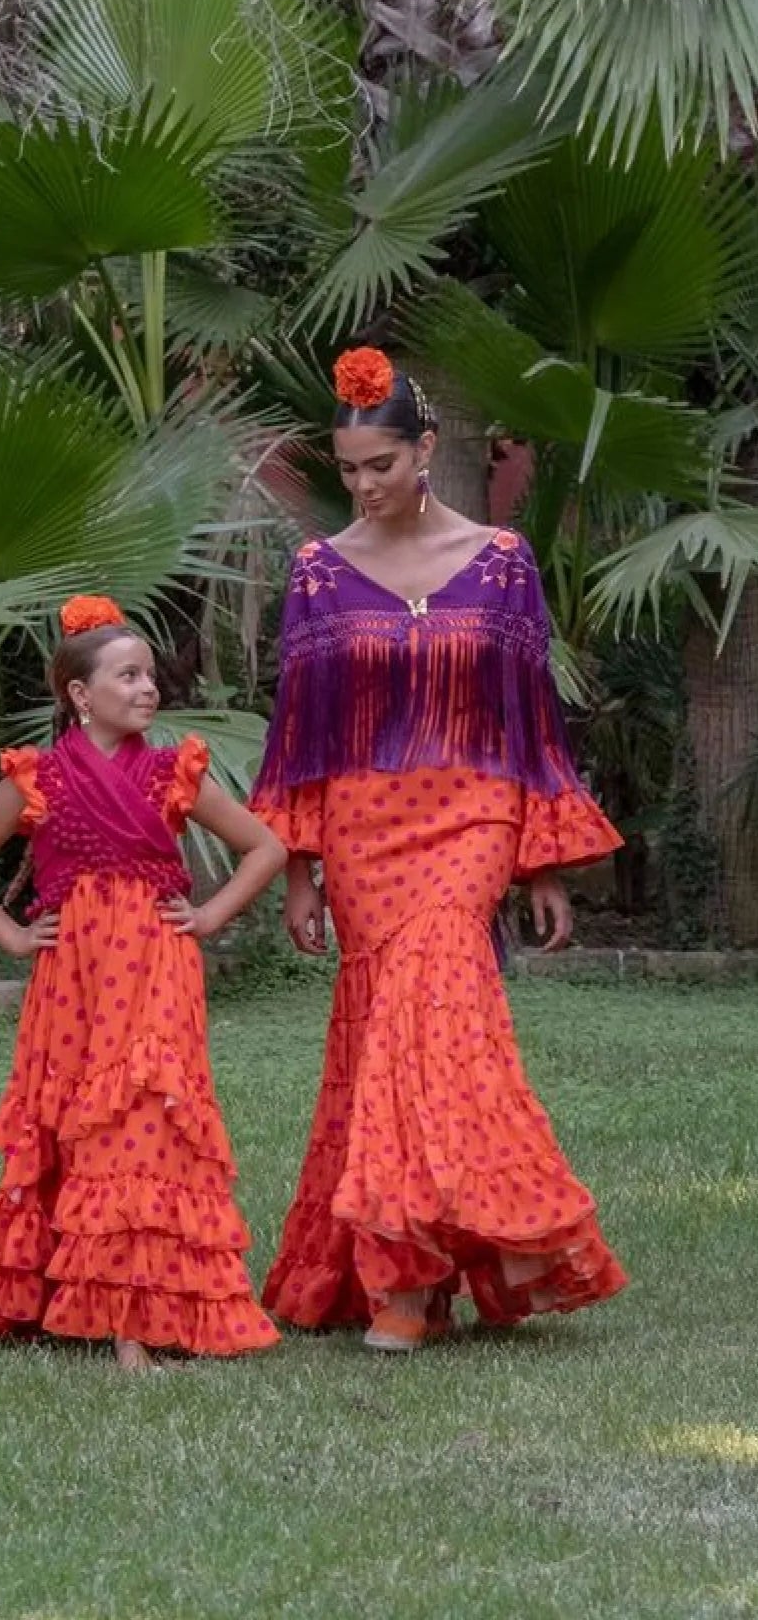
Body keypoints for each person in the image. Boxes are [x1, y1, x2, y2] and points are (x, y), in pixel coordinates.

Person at [250, 348, 628, 1352]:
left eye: (381, 463)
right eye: (349, 470)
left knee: (438, 994)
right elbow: (302, 732)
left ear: (424, 449)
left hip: (473, 813)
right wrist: (300, 869)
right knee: (388, 1026)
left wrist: (540, 860)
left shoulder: (503, 560)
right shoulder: (318, 570)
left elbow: (530, 722)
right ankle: (414, 1253)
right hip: (365, 824)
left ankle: (412, 1285)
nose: (364, 485)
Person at [0, 595, 288, 1370]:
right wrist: (13, 935)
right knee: (74, 1122)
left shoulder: (172, 771)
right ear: (80, 694)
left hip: (157, 965)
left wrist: (210, 914)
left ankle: (137, 1319)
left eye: (149, 675)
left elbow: (266, 848)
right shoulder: (38, 777)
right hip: (75, 976)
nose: (147, 688)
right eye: (128, 676)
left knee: (144, 1121)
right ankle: (66, 1295)